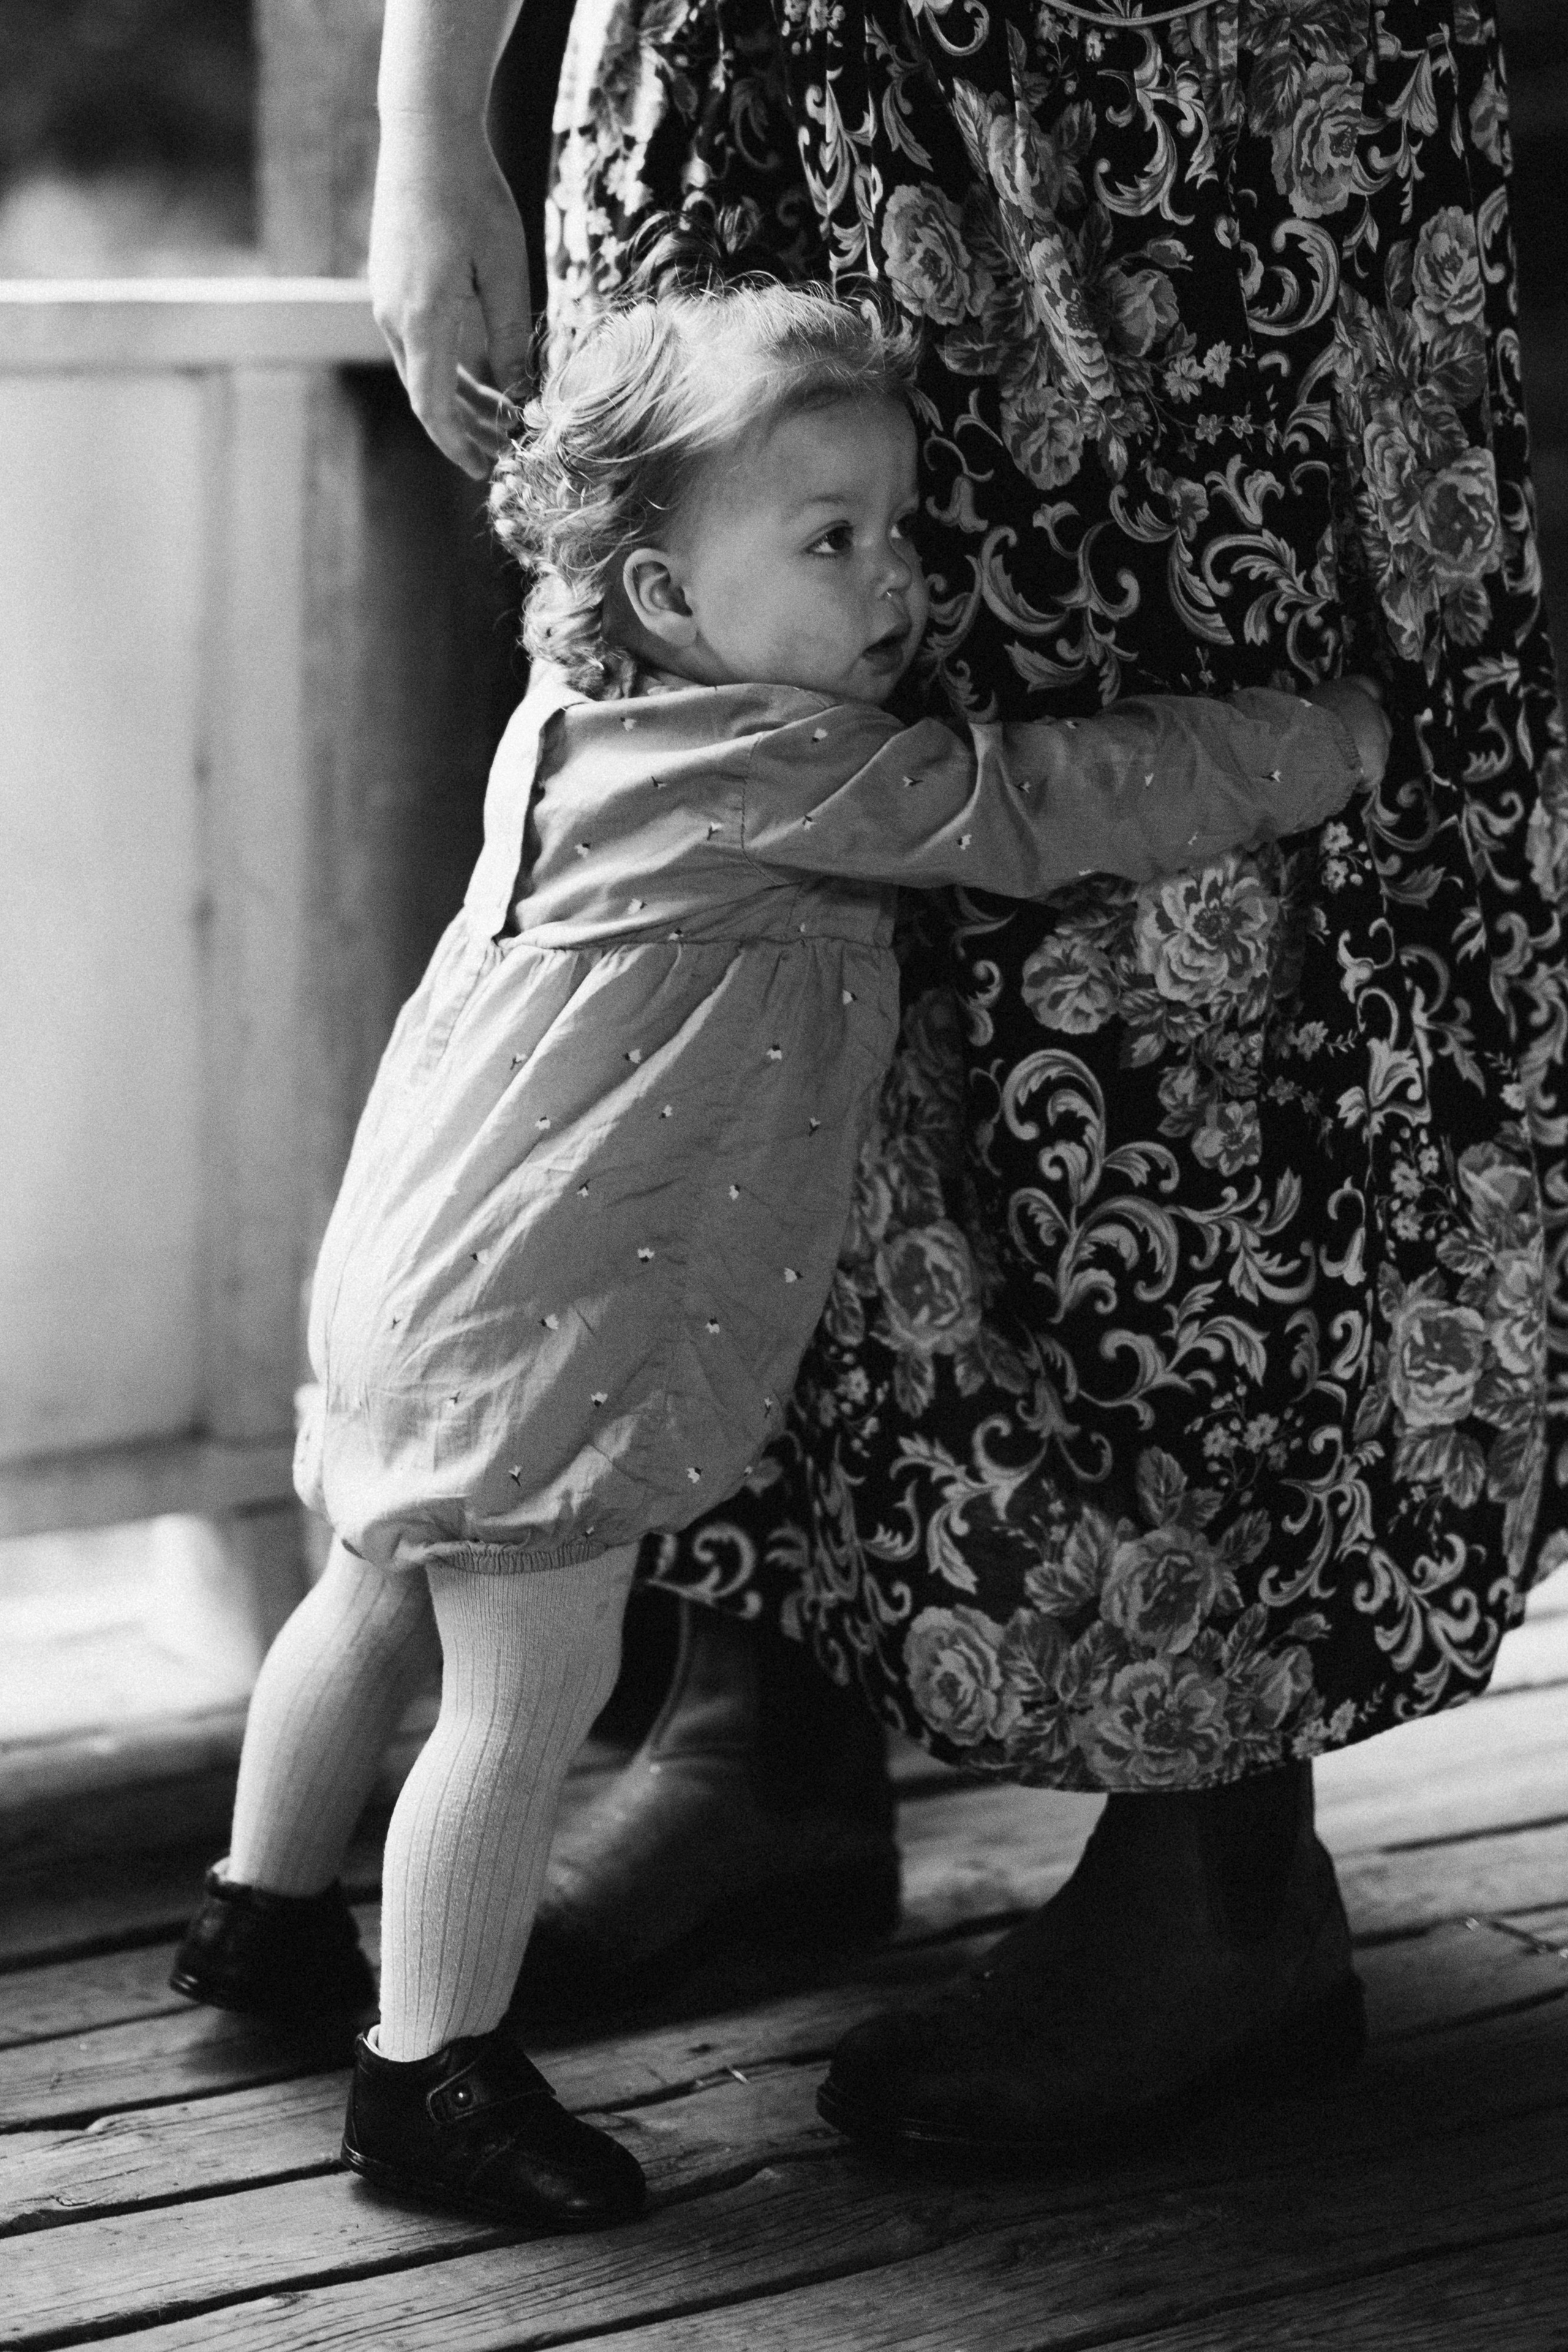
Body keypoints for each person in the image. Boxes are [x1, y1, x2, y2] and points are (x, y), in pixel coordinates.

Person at [364, 0, 1568, 2166]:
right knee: (700, 848)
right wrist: (426, 111)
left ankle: (1218, 1866)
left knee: (1163, 921)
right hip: (731, 79)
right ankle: (763, 1739)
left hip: (1165, 120)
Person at [168, 277, 1373, 2226]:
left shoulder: (574, 724)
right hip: (554, 1317)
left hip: (410, 1265)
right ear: (664, 596)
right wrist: (1300, 742)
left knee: (375, 1582)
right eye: (831, 541)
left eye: (897, 529)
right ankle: (427, 2079)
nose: (897, 584)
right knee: (520, 1686)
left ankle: (261, 1918)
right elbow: (1030, 800)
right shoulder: (774, 771)